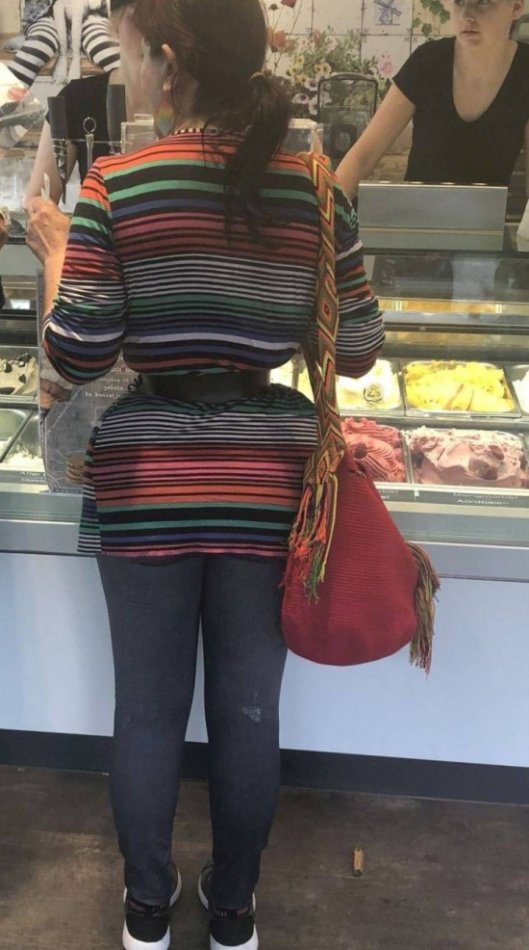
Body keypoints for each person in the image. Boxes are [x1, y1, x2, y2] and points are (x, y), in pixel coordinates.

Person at [25, 0, 384, 947]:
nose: (130, 71)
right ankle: (233, 913)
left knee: (145, 711)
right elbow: (357, 351)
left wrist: (58, 255)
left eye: (131, 54)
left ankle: (146, 910)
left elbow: (79, 355)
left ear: (170, 60)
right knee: (249, 712)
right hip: (269, 483)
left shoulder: (118, 184)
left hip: (144, 478)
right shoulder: (317, 190)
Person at [336, 0, 529, 197]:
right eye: (459, 2)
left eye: (482, 2)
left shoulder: (525, 69)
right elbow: (363, 157)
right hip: (414, 213)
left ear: (516, 7)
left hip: (486, 217)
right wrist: (329, 210)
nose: (466, 15)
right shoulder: (428, 61)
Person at [25, 0, 145, 204]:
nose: (152, 32)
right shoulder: (76, 99)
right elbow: (38, 199)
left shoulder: (194, 101)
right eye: (141, 17)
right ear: (115, 22)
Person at [9, 0, 120, 89]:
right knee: (38, 44)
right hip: (44, 15)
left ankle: (127, 106)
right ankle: (4, 102)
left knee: (106, 48)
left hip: (91, 15)